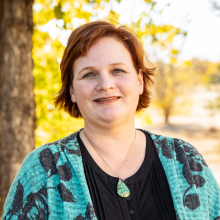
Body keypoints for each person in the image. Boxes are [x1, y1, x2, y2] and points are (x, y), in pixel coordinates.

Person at [2, 21, 220, 220]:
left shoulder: (187, 161)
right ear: (72, 91)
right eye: (89, 74)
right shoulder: (43, 169)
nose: (105, 84)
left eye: (117, 70)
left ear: (139, 81)